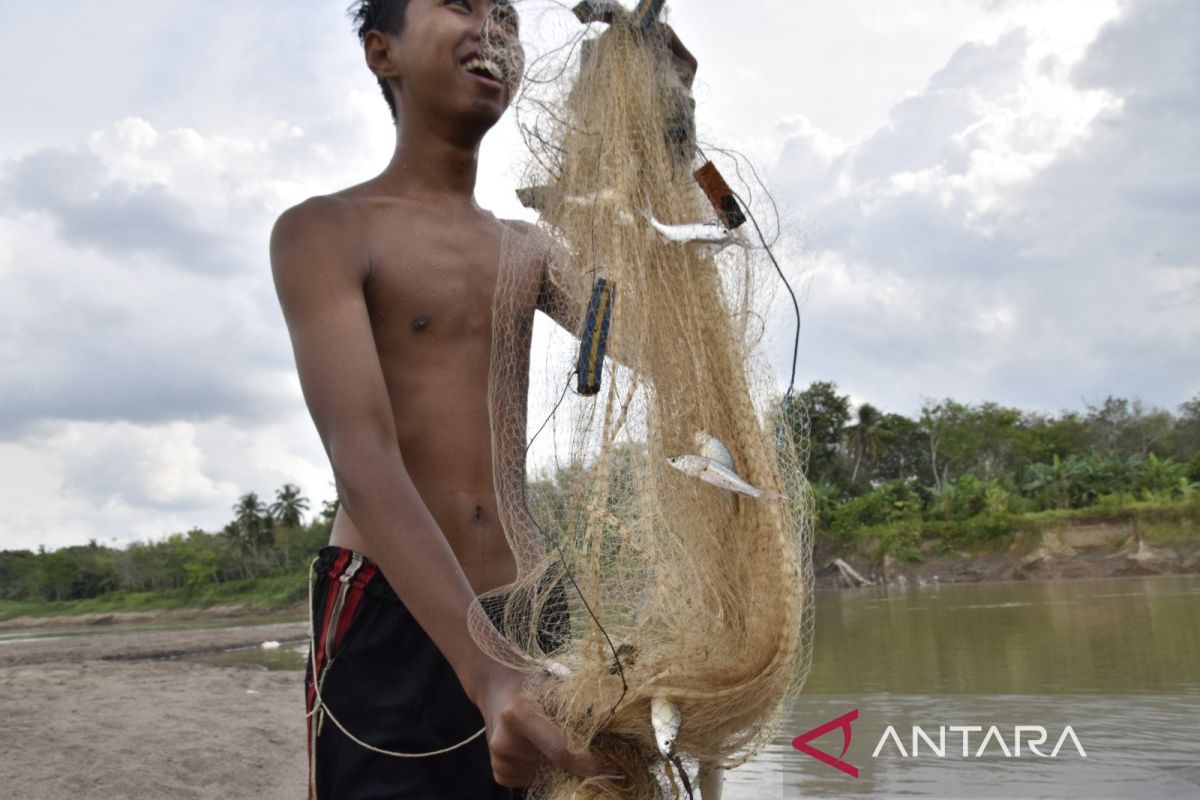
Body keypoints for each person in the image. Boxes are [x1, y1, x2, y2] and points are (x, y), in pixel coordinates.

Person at [270, 1, 696, 797]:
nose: (493, 29)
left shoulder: (530, 248)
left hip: (536, 610)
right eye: (460, 4)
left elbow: (669, 348)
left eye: (508, 15)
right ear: (380, 51)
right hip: (393, 610)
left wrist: (670, 131)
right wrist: (489, 672)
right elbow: (362, 455)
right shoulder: (324, 231)